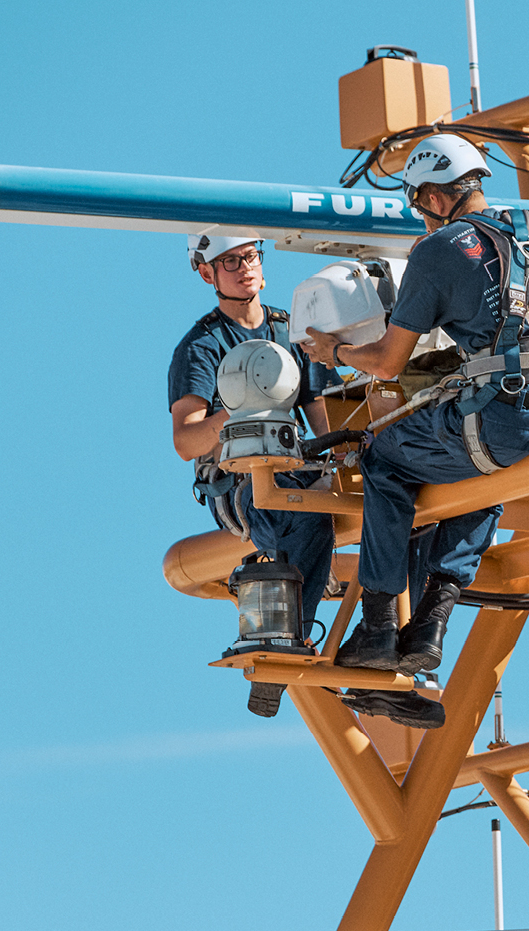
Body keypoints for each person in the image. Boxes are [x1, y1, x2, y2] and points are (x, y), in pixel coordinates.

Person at [302, 133, 529, 727]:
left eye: (418, 203)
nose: (419, 215)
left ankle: (381, 626)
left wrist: (336, 350)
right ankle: (430, 626)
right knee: (482, 474)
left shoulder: (438, 250)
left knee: (385, 456)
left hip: (507, 421)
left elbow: (387, 361)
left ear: (435, 195)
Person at [169, 235, 341, 718]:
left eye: (250, 257)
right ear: (207, 273)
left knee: (393, 504)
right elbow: (185, 442)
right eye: (229, 261)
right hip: (240, 487)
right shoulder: (203, 347)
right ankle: (288, 637)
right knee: (305, 517)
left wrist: (342, 464)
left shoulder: (292, 332)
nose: (244, 268)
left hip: (299, 470)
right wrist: (241, 411)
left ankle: (390, 635)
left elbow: (319, 413)